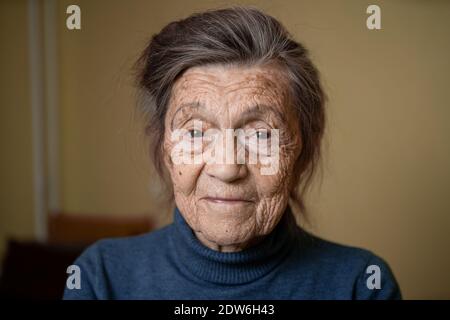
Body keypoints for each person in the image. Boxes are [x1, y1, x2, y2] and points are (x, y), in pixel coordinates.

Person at [64, 6, 401, 300]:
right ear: (166, 148)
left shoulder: (362, 285)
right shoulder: (100, 278)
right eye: (195, 131)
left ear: (300, 151)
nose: (227, 167)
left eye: (260, 134)